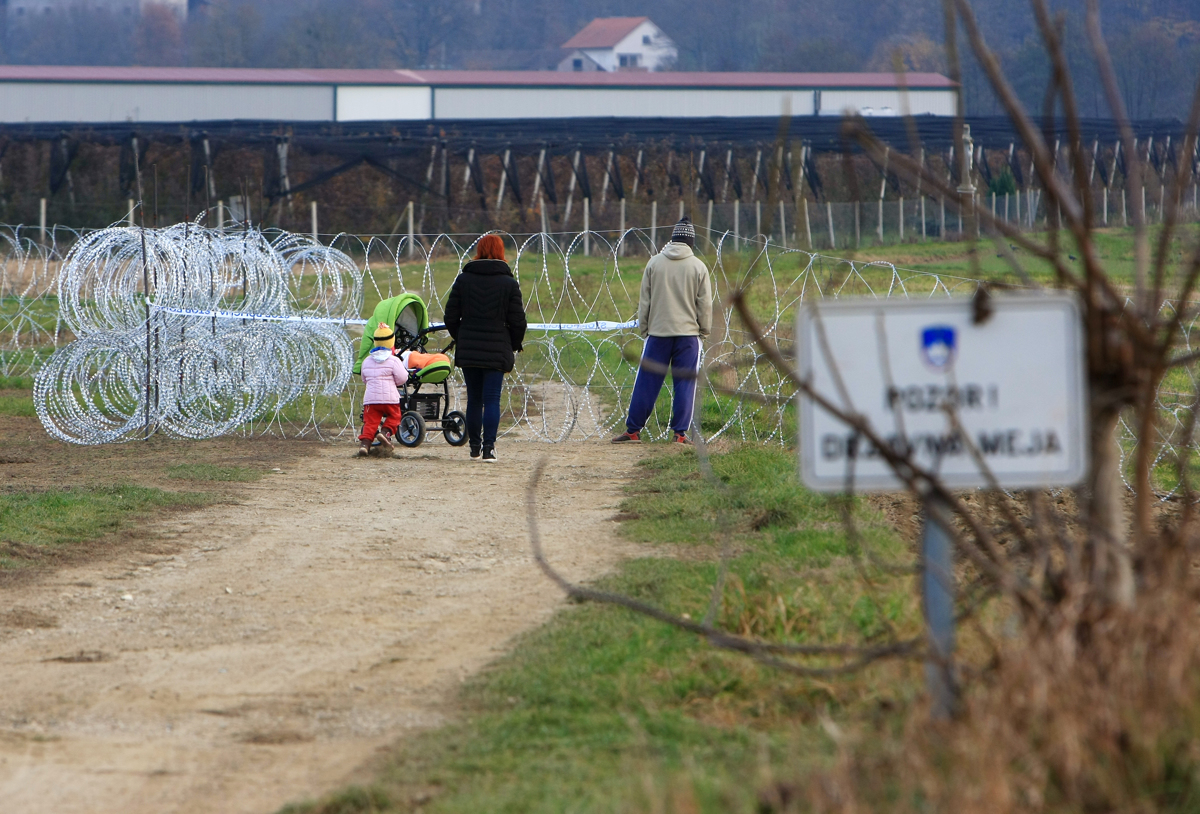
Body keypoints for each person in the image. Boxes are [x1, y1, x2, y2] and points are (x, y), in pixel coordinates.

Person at [612, 216, 712, 445]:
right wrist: (703, 331)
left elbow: (644, 301)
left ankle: (633, 430)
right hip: (688, 335)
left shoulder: (654, 263)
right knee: (685, 383)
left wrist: (644, 328)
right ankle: (679, 434)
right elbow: (704, 304)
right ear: (690, 241)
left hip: (658, 333)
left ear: (673, 238)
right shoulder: (699, 267)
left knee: (647, 381)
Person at [443, 234, 528, 462]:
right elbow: (519, 321)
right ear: (501, 252)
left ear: (478, 251)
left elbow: (450, 316)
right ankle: (489, 448)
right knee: (491, 399)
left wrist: (461, 336)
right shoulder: (509, 283)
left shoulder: (464, 280)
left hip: (469, 347)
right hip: (497, 347)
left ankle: (473, 448)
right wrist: (513, 344)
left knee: (474, 399)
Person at [357, 321, 409, 457]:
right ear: (391, 342)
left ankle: (365, 445)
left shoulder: (367, 361)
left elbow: (364, 378)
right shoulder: (394, 360)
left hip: (371, 400)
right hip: (389, 399)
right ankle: (385, 433)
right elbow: (403, 377)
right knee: (395, 416)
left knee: (370, 423)